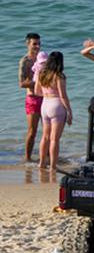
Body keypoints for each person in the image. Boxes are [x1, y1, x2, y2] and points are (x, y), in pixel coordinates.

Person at [36, 51, 72, 172]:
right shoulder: (59, 75)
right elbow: (63, 95)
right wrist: (70, 111)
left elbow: (37, 92)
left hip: (45, 105)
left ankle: (41, 163)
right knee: (54, 139)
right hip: (56, 105)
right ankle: (52, 166)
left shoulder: (42, 73)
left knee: (45, 137)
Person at [18, 33, 41, 162]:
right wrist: (37, 82)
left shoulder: (43, 59)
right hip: (33, 99)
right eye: (34, 44)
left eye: (39, 43)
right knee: (32, 131)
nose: (37, 46)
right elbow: (21, 83)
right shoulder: (25, 61)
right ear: (28, 44)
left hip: (46, 98)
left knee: (48, 132)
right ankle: (28, 159)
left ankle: (47, 156)